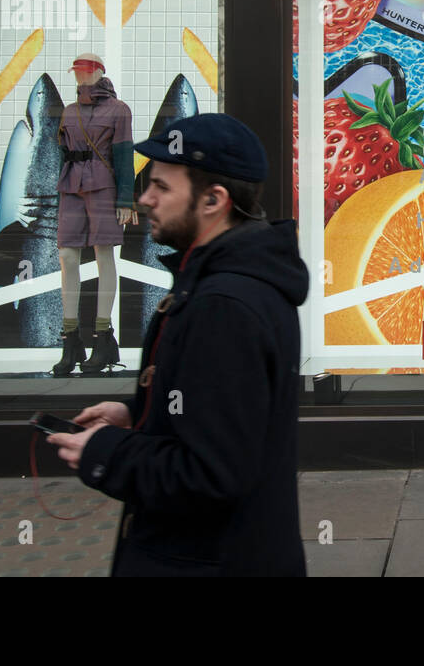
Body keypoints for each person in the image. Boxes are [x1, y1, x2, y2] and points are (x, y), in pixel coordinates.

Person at [48, 112, 309, 576]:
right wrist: (143, 415)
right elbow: (227, 417)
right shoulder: (235, 283)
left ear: (214, 200)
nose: (145, 198)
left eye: (163, 188)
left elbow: (210, 473)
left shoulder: (224, 306)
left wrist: (106, 452)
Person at [52, 53, 137, 376]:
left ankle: (103, 336)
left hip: (103, 184)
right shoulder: (69, 111)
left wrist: (126, 200)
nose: (80, 76)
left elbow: (124, 155)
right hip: (71, 184)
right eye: (77, 71)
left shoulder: (119, 110)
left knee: (104, 256)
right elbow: (61, 150)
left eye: (86, 71)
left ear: (100, 71)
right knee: (67, 256)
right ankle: (70, 338)